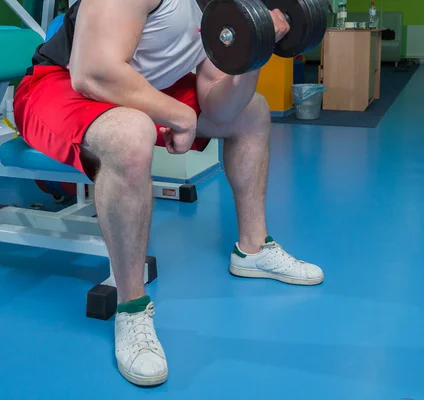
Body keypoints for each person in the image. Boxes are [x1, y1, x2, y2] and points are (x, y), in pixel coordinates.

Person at [13, 0, 324, 387]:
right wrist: (179, 115)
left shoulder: (219, 7)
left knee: (252, 112)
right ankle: (132, 307)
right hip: (61, 84)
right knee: (131, 133)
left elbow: (221, 106)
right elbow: (92, 73)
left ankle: (253, 250)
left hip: (137, 84)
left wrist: (253, 47)